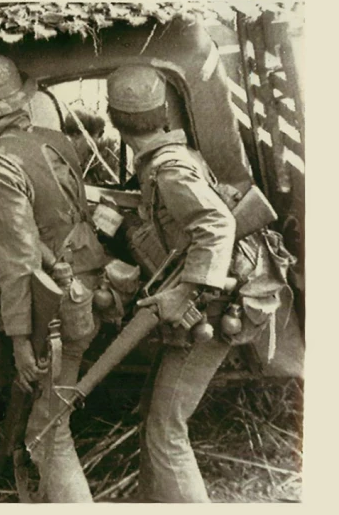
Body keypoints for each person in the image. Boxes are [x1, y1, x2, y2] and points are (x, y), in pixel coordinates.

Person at [106, 65, 295, 502]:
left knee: (166, 427)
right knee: (157, 415)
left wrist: (184, 290)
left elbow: (216, 225)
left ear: (114, 118)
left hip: (212, 307)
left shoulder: (170, 170)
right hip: (212, 302)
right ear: (162, 113)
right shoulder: (171, 159)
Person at [0, 54, 107, 502]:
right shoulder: (56, 139)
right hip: (89, 283)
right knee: (50, 418)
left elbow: (18, 261)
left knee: (46, 433)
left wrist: (21, 339)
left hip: (55, 306)